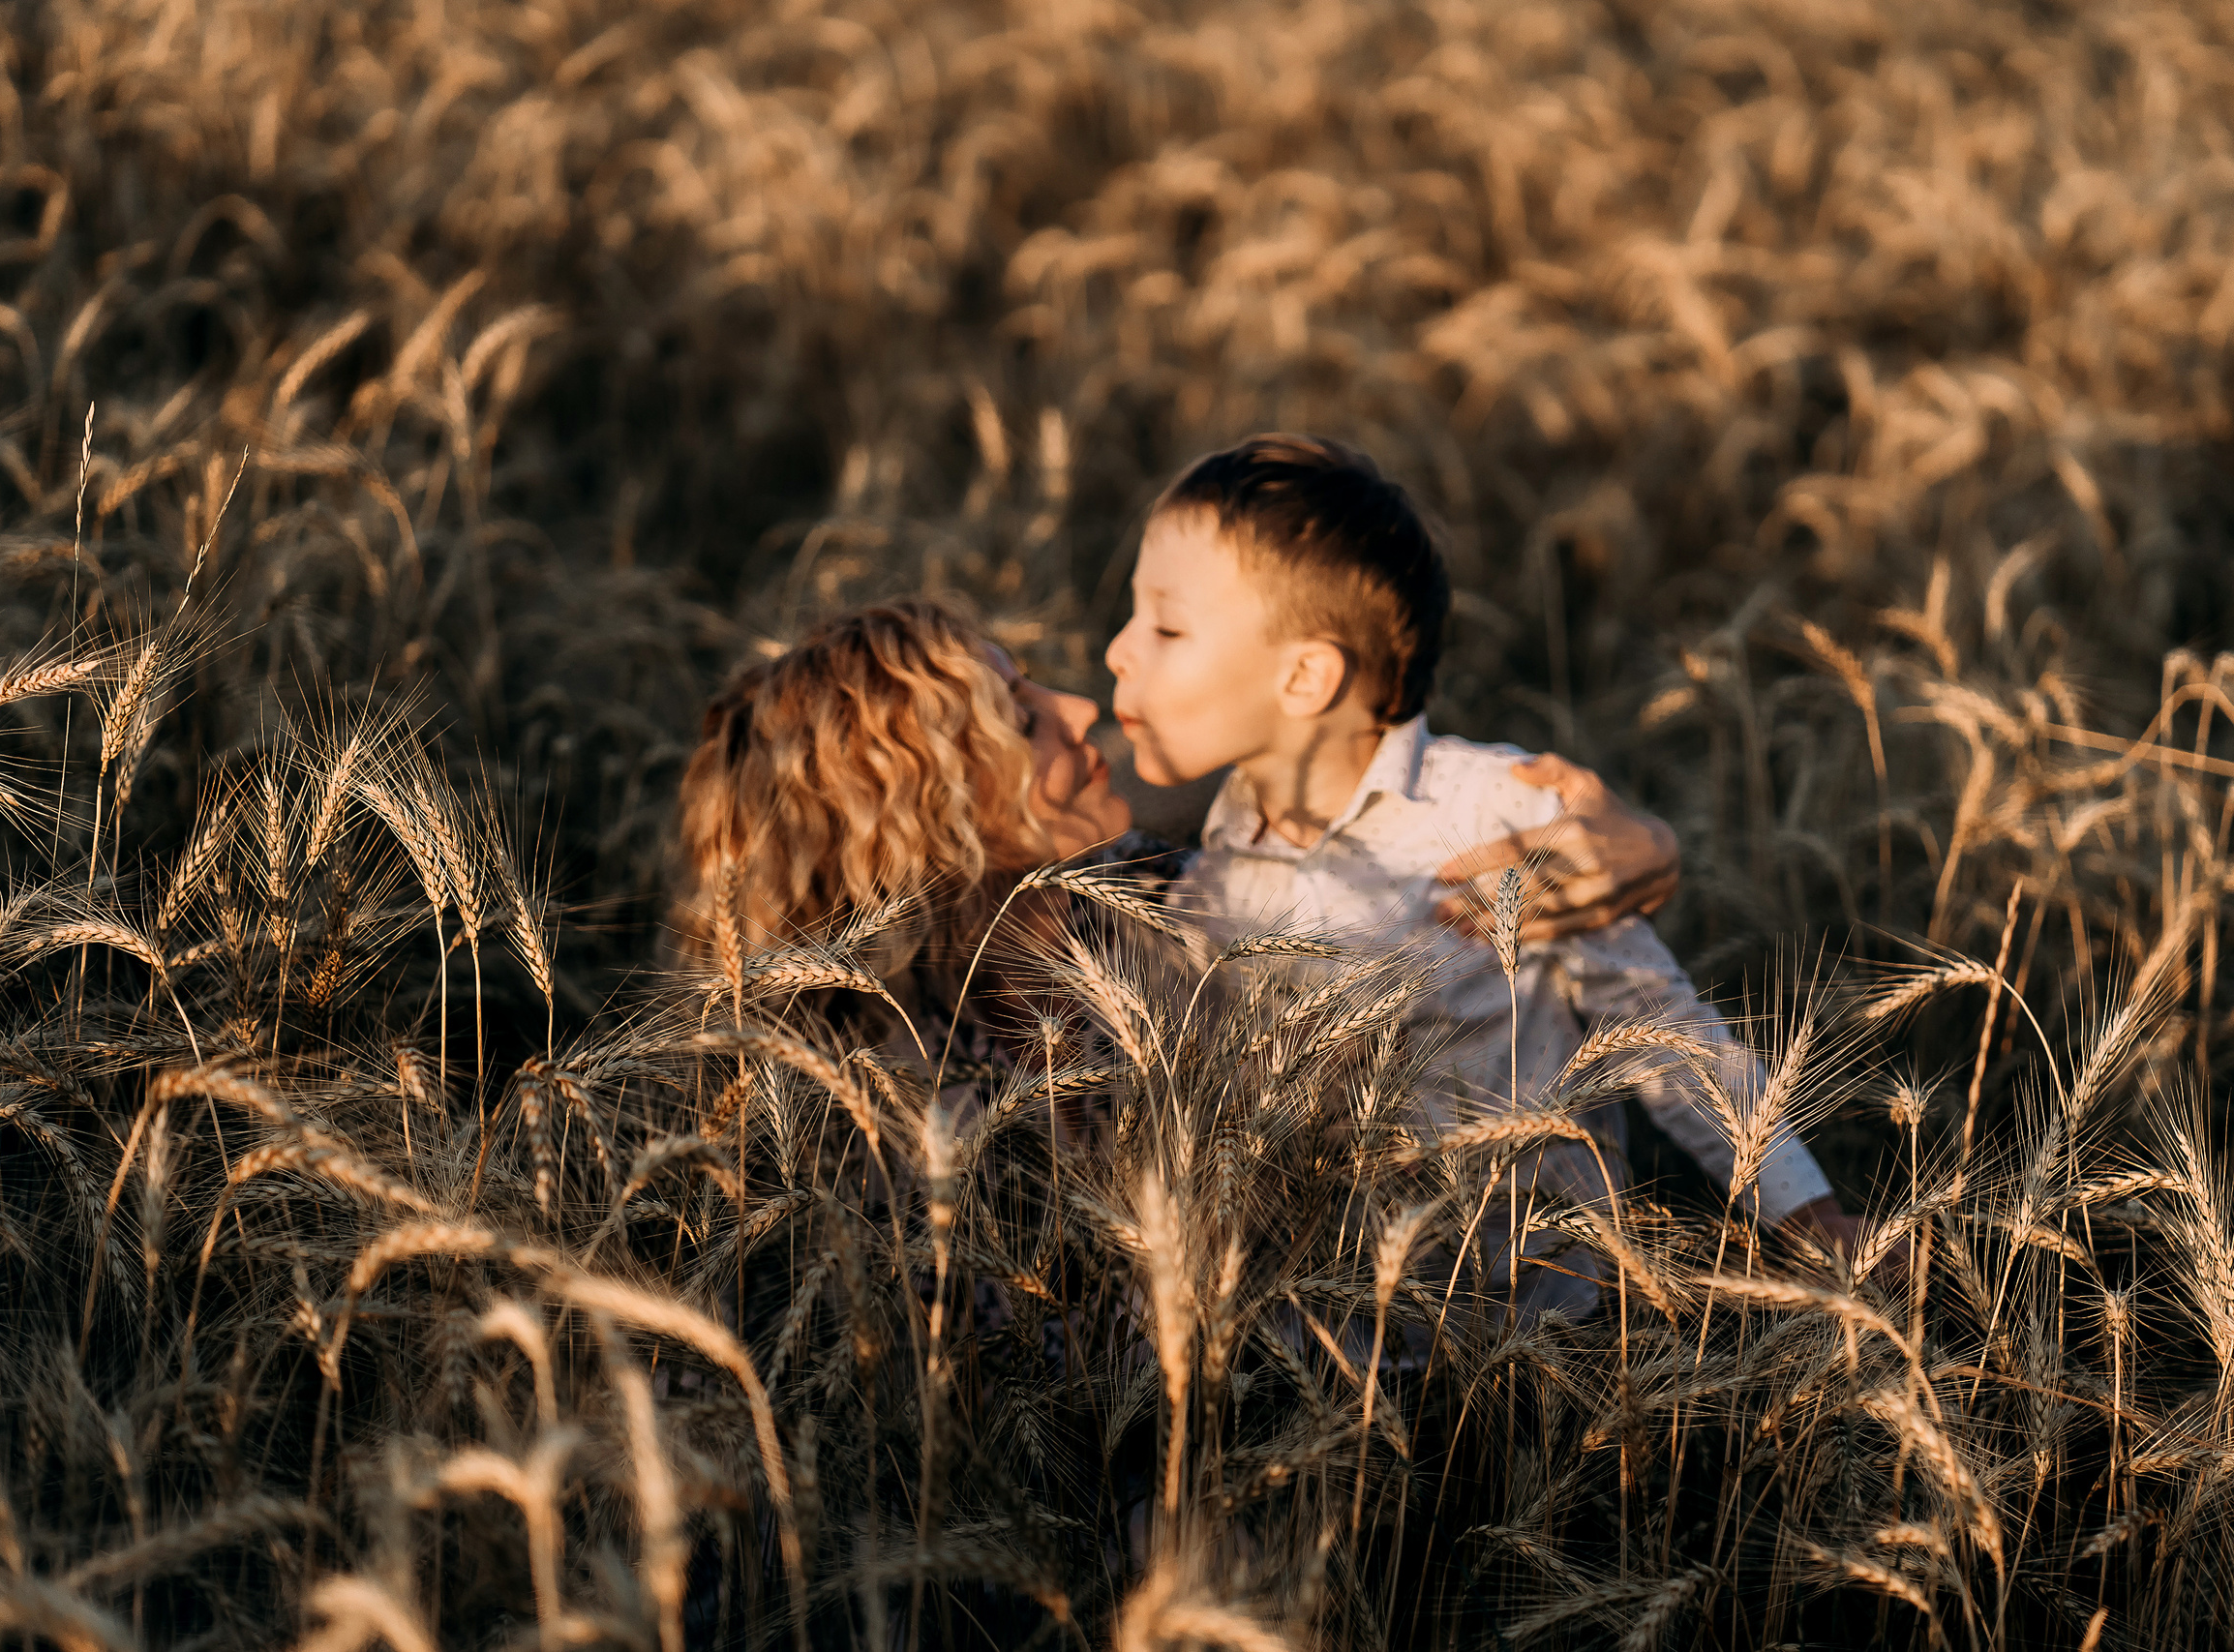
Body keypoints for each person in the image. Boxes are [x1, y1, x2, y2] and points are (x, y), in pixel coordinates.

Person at [1102, 435, 1862, 1303]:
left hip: (1541, 1334)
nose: (1118, 651)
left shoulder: (1496, 817)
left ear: (1307, 675)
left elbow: (1664, 1032)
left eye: (1163, 625)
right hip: (1326, 1347)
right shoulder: (1208, 872)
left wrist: (1808, 1218)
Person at [666, 599, 1675, 1065]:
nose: (1074, 704)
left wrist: (1640, 846)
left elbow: (1385, 826)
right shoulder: (859, 1083)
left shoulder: (1151, 895)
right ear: (929, 821)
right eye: (1021, 719)